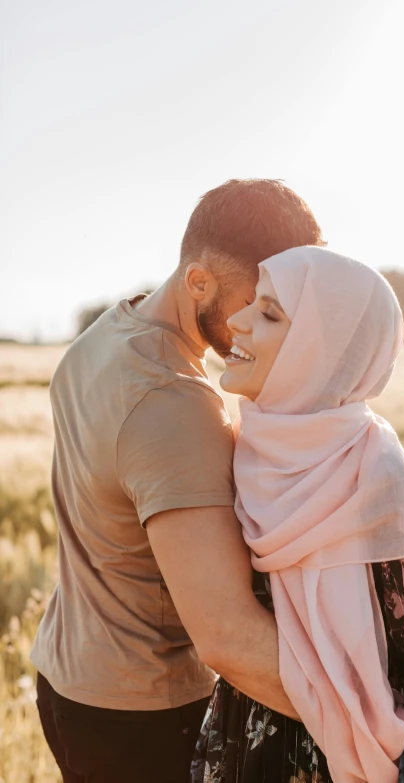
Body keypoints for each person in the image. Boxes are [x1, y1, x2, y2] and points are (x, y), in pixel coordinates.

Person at [31, 179, 325, 783]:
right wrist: (372, 725)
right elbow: (226, 638)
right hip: (146, 718)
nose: (266, 326)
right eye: (259, 303)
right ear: (198, 282)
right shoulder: (174, 403)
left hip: (66, 684)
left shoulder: (101, 340)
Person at [192, 246, 404, 783]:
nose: (236, 321)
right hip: (249, 754)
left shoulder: (378, 476)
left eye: (269, 313)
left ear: (318, 349)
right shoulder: (238, 454)